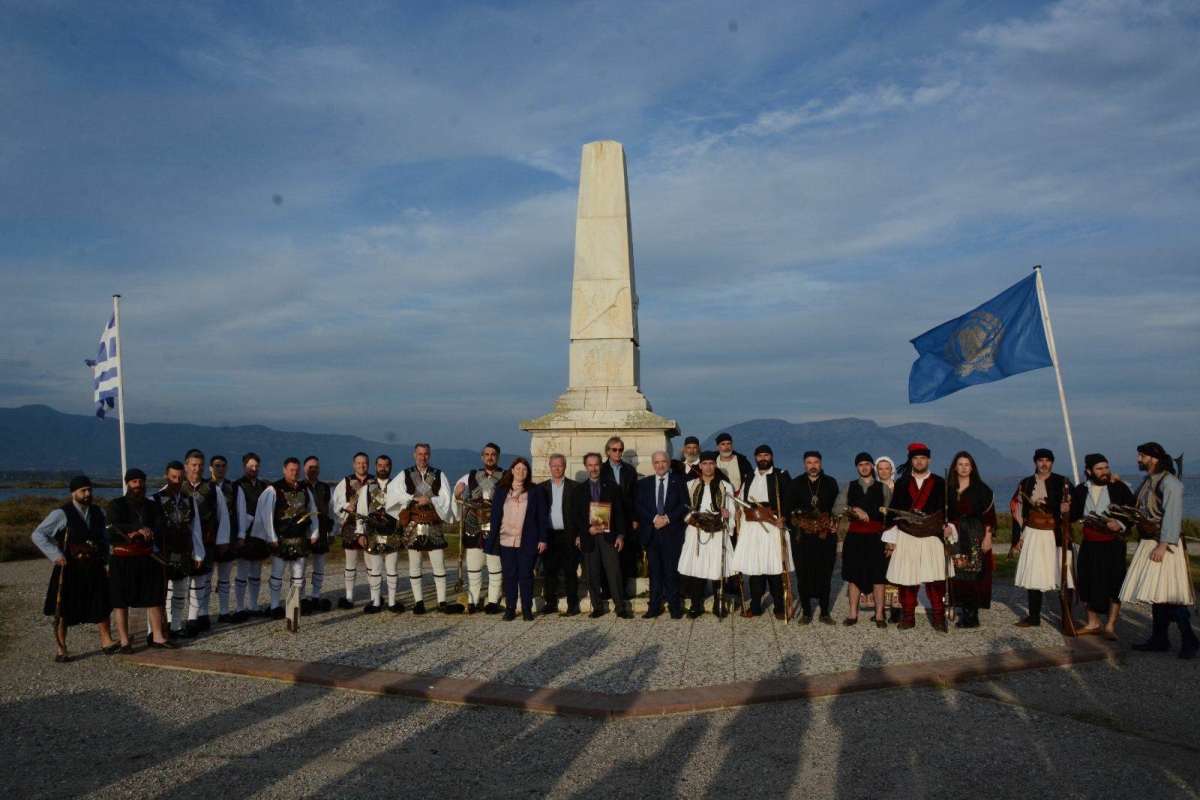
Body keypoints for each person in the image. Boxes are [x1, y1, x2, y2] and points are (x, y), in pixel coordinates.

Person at [1120, 442, 1198, 659]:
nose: (1138, 459)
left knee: (1168, 595)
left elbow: (1172, 515)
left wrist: (1164, 544)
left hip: (1164, 545)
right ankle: (1159, 639)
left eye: (1141, 456)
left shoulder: (1170, 483)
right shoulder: (1148, 481)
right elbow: (1136, 504)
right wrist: (1117, 483)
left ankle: (1190, 639)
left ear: (1154, 458)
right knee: (1156, 593)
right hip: (1149, 540)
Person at [31, 475, 118, 662]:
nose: (87, 494)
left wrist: (107, 562)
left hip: (94, 566)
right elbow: (38, 534)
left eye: (89, 490)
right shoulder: (61, 514)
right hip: (69, 568)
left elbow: (104, 539)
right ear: (73, 493)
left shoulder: (98, 512)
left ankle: (107, 641)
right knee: (62, 608)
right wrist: (55, 555)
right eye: (83, 491)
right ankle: (61, 648)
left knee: (101, 604)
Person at [882, 443, 951, 631]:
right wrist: (891, 538)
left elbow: (948, 509)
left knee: (936, 579)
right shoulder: (902, 483)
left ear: (929, 460)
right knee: (907, 579)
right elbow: (894, 510)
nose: (919, 462)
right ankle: (908, 617)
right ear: (911, 461)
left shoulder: (939, 482)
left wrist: (949, 527)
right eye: (915, 458)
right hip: (907, 534)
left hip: (932, 535)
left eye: (922, 458)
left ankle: (938, 617)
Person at [388, 444, 463, 614]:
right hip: (413, 524)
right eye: (420, 454)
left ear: (430, 455)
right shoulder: (405, 474)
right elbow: (393, 493)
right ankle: (419, 602)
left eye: (426, 454)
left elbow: (445, 497)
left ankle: (442, 601)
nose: (423, 457)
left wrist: (431, 500)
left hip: (433, 523)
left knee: (439, 563)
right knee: (415, 565)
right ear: (415, 454)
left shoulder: (438, 474)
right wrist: (413, 497)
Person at [105, 468, 174, 652]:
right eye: (134, 482)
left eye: (141, 482)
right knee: (120, 601)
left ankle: (158, 637)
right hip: (122, 559)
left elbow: (160, 527)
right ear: (128, 483)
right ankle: (125, 641)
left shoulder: (152, 506)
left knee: (154, 598)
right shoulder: (116, 504)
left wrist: (148, 531)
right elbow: (111, 527)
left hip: (147, 557)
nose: (138, 485)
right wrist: (135, 529)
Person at [1070, 453, 1135, 640]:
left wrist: (1121, 524)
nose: (1105, 472)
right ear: (1089, 471)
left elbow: (1132, 511)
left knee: (1115, 582)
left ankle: (1110, 626)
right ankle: (1093, 623)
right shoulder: (1081, 490)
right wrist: (1065, 509)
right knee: (1086, 582)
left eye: (1106, 467)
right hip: (1090, 542)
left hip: (1113, 543)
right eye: (1100, 469)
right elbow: (1074, 515)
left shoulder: (1119, 487)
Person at [1011, 448, 1073, 627]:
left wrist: (1054, 504)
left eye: (1047, 460)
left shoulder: (1063, 482)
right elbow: (1018, 510)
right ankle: (1034, 617)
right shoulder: (1027, 482)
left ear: (1052, 462)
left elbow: (1074, 505)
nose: (1044, 463)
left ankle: (1066, 617)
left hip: (1056, 533)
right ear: (1035, 462)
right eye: (1040, 460)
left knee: (1063, 574)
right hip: (1033, 531)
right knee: (1033, 574)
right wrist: (1018, 537)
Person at [251, 457, 319, 620]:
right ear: (284, 470)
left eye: (296, 470)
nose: (294, 473)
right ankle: (275, 606)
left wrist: (314, 532)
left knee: (298, 573)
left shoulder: (304, 488)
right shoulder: (274, 489)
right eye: (291, 470)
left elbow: (312, 510)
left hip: (300, 536)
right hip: (281, 536)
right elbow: (267, 515)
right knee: (277, 573)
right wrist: (271, 536)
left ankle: (294, 606)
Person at [730, 445, 792, 619]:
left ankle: (779, 607)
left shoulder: (781, 475)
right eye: (759, 456)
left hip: (773, 525)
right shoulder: (749, 477)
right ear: (755, 458)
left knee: (774, 567)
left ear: (771, 456)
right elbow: (742, 500)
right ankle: (756, 606)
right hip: (752, 528)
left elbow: (789, 499)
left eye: (766, 455)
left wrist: (784, 517)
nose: (763, 458)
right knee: (755, 568)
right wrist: (738, 512)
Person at [485, 457, 548, 621]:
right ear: (512, 470)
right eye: (518, 469)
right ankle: (510, 608)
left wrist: (543, 539)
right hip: (506, 539)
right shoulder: (501, 490)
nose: (521, 472)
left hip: (527, 540)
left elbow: (542, 517)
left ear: (528, 473)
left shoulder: (535, 491)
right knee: (510, 574)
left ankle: (527, 608)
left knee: (526, 574)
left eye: (525, 469)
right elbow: (495, 516)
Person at [573, 452, 632, 618]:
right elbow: (575, 516)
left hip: (609, 536)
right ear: (586, 467)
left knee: (614, 572)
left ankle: (620, 607)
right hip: (589, 536)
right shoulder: (579, 490)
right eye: (590, 465)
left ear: (601, 466)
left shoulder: (613, 487)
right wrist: (586, 529)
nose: (593, 468)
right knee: (592, 574)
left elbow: (620, 513)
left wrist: (621, 536)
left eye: (596, 465)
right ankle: (597, 607)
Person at [833, 453, 889, 628]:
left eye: (867, 464)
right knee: (853, 576)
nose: (864, 467)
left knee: (878, 577)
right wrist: (854, 508)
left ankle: (879, 615)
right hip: (855, 536)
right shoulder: (850, 487)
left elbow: (888, 517)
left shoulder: (883, 488)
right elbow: (836, 509)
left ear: (872, 466)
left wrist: (889, 540)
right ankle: (852, 614)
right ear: (857, 467)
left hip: (876, 537)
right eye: (860, 465)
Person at [678, 451, 736, 618]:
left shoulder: (726, 486)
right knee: (697, 568)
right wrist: (693, 520)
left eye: (711, 464)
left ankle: (719, 604)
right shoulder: (691, 485)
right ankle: (696, 606)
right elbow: (684, 508)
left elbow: (731, 509)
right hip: (697, 532)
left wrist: (727, 515)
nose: (708, 467)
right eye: (705, 464)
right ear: (700, 466)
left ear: (715, 465)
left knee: (718, 568)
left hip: (718, 531)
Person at [181, 449, 231, 635]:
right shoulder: (178, 488)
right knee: (182, 580)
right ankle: (180, 618)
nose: (197, 469)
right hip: (183, 542)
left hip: (207, 539)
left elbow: (222, 516)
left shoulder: (212, 489)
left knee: (204, 577)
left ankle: (201, 614)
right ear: (186, 466)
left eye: (200, 465)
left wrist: (223, 539)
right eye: (194, 465)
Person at [945, 451, 996, 629]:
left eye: (967, 464)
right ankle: (963, 609)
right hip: (955, 536)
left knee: (974, 574)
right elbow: (944, 513)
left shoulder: (982, 489)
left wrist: (988, 537)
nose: (964, 468)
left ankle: (973, 615)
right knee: (957, 574)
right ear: (955, 467)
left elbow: (989, 517)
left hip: (975, 535)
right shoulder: (948, 488)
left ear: (972, 467)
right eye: (960, 464)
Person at [787, 450, 840, 624]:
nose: (813, 466)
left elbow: (837, 508)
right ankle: (807, 612)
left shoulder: (830, 483)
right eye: (809, 463)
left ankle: (824, 612)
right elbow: (788, 511)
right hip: (803, 537)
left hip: (825, 536)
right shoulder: (796, 483)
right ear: (804, 465)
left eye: (816, 462)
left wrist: (836, 522)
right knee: (803, 574)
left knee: (825, 573)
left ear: (821, 463)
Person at [154, 461, 207, 637]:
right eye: (173, 477)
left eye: (179, 477)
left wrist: (198, 553)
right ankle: (161, 626)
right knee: (162, 592)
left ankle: (176, 626)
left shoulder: (189, 500)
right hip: (163, 552)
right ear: (166, 477)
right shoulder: (154, 499)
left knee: (180, 591)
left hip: (184, 551)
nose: (177, 481)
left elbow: (196, 528)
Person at [634, 451, 688, 619]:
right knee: (655, 572)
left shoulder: (678, 482)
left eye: (664, 461)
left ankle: (674, 606)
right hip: (652, 532)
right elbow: (638, 505)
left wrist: (668, 518)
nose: (661, 465)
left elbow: (685, 504)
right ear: (653, 464)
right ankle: (654, 606)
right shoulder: (644, 484)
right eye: (657, 462)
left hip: (672, 532)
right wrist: (655, 518)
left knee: (671, 571)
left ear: (669, 462)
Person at [454, 443, 506, 614]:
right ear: (482, 457)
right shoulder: (470, 476)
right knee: (474, 565)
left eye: (493, 454)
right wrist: (457, 494)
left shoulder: (506, 477)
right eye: (486, 454)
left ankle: (492, 601)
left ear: (497, 457)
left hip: (496, 525)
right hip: (473, 524)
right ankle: (473, 600)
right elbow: (458, 499)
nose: (489, 457)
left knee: (494, 565)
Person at [355, 455, 404, 614]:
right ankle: (376, 601)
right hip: (373, 533)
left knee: (392, 568)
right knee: (375, 568)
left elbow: (403, 510)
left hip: (393, 532)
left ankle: (392, 602)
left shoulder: (398, 487)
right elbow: (361, 512)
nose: (383, 468)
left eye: (386, 465)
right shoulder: (367, 489)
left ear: (391, 467)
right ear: (376, 467)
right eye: (380, 465)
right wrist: (360, 533)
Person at [539, 453, 581, 616]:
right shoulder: (541, 488)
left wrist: (579, 535)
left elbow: (579, 513)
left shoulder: (574, 487)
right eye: (554, 465)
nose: (557, 468)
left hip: (569, 534)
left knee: (571, 571)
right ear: (550, 467)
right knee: (550, 571)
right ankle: (550, 603)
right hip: (549, 535)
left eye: (560, 465)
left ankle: (572, 604)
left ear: (565, 466)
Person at [601, 436, 640, 605]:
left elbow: (634, 495)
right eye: (614, 449)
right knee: (605, 554)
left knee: (624, 554)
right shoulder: (601, 470)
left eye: (620, 449)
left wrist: (634, 517)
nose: (618, 452)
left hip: (625, 515)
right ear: (607, 451)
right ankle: (606, 590)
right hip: (605, 515)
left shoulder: (629, 470)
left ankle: (622, 590)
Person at [330, 452, 372, 609]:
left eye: (364, 463)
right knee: (351, 562)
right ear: (354, 464)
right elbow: (336, 503)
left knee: (371, 562)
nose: (362, 465)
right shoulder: (345, 482)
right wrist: (345, 506)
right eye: (359, 463)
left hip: (369, 527)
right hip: (350, 526)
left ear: (368, 464)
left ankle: (374, 595)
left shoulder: (374, 482)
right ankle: (348, 596)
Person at [232, 453, 271, 621]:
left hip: (260, 534)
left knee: (256, 572)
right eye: (251, 466)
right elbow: (236, 512)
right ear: (244, 467)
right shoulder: (237, 485)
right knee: (242, 571)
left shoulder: (264, 485)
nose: (254, 469)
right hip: (245, 533)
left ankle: (253, 606)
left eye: (257, 466)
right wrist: (240, 533)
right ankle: (240, 607)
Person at [207, 455, 240, 624]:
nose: (220, 469)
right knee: (206, 577)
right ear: (210, 468)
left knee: (225, 578)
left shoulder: (233, 487)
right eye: (217, 466)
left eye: (223, 466)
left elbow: (239, 512)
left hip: (228, 537)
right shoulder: (204, 487)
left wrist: (240, 535)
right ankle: (202, 614)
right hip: (208, 538)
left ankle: (224, 611)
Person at [302, 456, 334, 614]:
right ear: (304, 468)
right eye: (310, 467)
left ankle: (315, 596)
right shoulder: (299, 486)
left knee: (319, 566)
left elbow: (330, 509)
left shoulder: (325, 487)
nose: (313, 470)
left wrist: (332, 531)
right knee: (300, 567)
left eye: (316, 467)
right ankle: (301, 598)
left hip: (321, 529)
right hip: (303, 531)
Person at [875, 455, 903, 623]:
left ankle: (896, 608)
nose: (884, 471)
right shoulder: (874, 487)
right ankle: (880, 609)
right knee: (879, 572)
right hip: (876, 534)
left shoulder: (898, 488)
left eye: (887, 468)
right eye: (881, 468)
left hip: (895, 532)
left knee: (895, 571)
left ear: (892, 470)